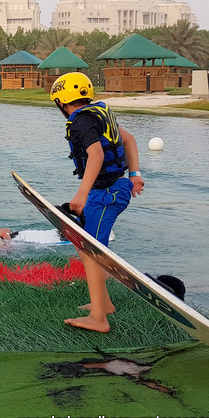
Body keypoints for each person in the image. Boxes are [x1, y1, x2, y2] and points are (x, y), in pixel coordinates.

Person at [50, 72, 145, 333]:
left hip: (108, 194)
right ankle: (103, 303)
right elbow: (129, 140)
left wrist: (81, 193)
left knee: (92, 252)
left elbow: (96, 155)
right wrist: (135, 175)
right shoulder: (98, 113)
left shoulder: (81, 123)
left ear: (61, 102)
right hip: (107, 191)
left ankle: (99, 319)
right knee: (86, 248)